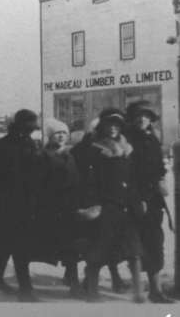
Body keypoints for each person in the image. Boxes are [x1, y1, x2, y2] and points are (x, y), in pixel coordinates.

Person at [0, 109, 41, 302]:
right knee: (19, 245)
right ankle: (25, 289)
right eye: (29, 125)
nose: (31, 129)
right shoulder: (3, 145)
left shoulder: (30, 143)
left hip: (24, 203)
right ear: (20, 125)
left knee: (7, 245)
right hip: (6, 205)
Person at [84, 108, 144, 303]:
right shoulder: (96, 149)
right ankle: (92, 292)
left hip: (127, 206)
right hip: (107, 206)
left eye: (116, 125)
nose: (113, 129)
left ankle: (138, 293)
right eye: (109, 125)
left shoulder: (127, 148)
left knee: (133, 251)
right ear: (102, 127)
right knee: (99, 250)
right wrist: (96, 204)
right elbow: (91, 181)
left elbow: (133, 178)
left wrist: (137, 200)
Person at [68, 117, 129, 294]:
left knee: (109, 243)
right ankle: (88, 282)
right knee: (96, 243)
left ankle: (108, 279)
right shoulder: (90, 149)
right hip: (95, 203)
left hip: (114, 202)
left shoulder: (122, 147)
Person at [125, 100, 174, 304]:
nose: (142, 119)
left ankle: (155, 290)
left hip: (153, 200)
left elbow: (158, 166)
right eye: (138, 116)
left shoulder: (152, 139)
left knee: (155, 243)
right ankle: (137, 291)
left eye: (146, 116)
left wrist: (162, 179)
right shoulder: (126, 140)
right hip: (133, 200)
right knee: (134, 247)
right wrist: (137, 198)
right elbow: (125, 173)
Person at [30, 118, 81, 295]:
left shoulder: (70, 154)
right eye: (57, 133)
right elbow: (38, 183)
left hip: (69, 207)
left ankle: (73, 281)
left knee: (72, 246)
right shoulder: (43, 156)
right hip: (52, 208)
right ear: (50, 136)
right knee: (51, 245)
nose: (61, 136)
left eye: (64, 133)